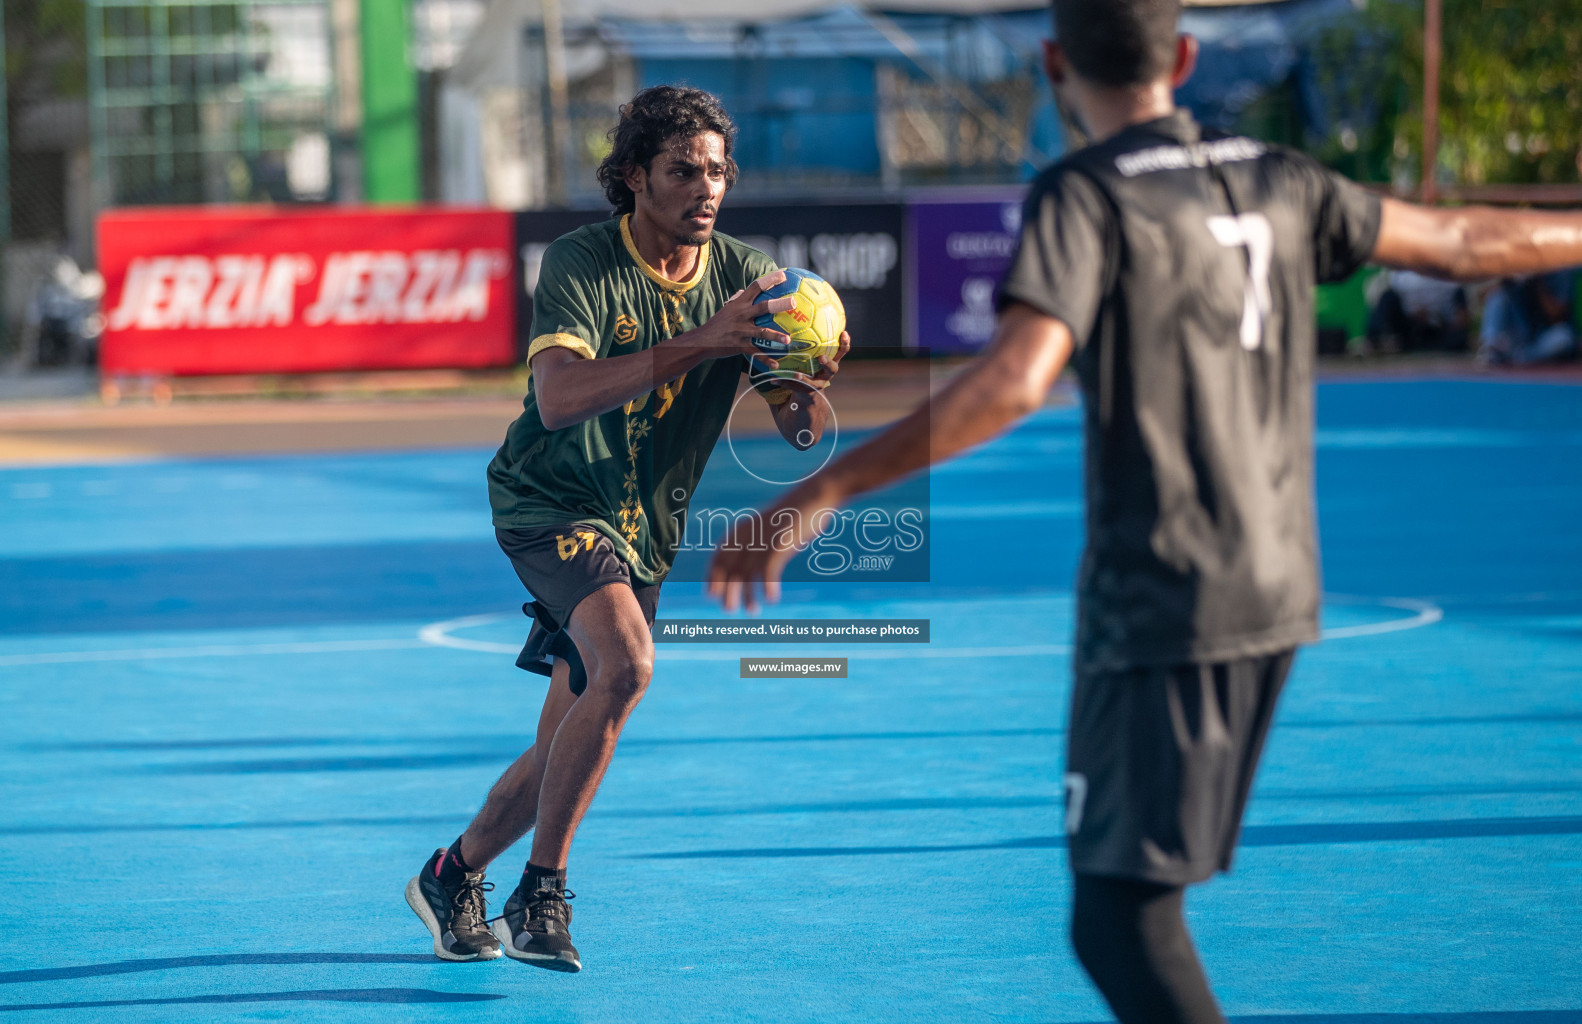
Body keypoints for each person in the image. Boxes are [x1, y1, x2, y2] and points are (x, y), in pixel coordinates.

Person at [705, 1, 1582, 1019]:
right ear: (1185, 56)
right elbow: (1468, 239)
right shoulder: (1281, 174)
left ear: (1050, 62)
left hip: (1168, 594)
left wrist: (825, 487)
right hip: (1281, 582)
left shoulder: (1085, 194)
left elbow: (1017, 379)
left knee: (1117, 916)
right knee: (1136, 903)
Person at [406, 85, 848, 972]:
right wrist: (705, 340)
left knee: (567, 738)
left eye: (718, 171)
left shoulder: (750, 277)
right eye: (684, 170)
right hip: (550, 502)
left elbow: (797, 420)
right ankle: (543, 892)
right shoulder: (581, 261)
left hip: (645, 527)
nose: (706, 188)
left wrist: (808, 379)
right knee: (631, 666)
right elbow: (560, 398)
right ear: (636, 176)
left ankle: (452, 873)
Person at [1477, 270, 1579, 365]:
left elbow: (1556, 316)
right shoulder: (1516, 273)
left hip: (1541, 339)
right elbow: (1482, 296)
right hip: (1517, 336)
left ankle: (1520, 357)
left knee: (1563, 337)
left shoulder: (1560, 272)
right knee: (1498, 297)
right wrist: (1506, 282)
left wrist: (1537, 282)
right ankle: (1490, 348)